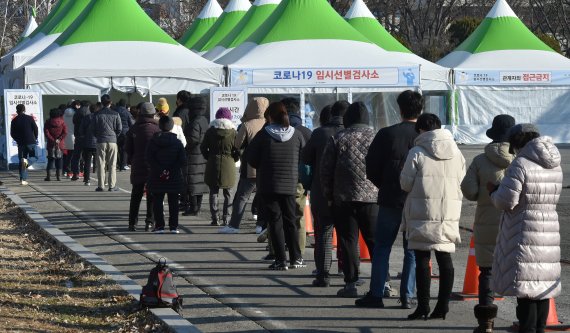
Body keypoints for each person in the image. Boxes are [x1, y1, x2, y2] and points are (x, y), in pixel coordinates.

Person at [489, 124, 562, 333]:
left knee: (526, 288)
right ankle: (539, 329)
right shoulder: (555, 164)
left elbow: (506, 201)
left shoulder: (520, 163)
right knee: (541, 286)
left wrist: (494, 192)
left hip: (524, 229)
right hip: (548, 227)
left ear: (516, 142)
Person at [357, 90, 423, 309]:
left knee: (382, 247)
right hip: (416, 200)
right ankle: (408, 295)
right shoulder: (424, 136)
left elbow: (371, 166)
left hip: (390, 197)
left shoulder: (386, 134)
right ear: (421, 109)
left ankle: (376, 294)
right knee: (411, 249)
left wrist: (383, 184)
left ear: (400, 109)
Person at [400, 113, 465, 320]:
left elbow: (405, 184)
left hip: (422, 212)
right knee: (445, 258)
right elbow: (462, 182)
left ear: (420, 130)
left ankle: (423, 307)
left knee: (422, 259)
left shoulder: (417, 152)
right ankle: (443, 306)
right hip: (448, 212)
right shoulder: (458, 153)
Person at [460, 115, 515, 332]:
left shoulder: (480, 161)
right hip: (515, 222)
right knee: (518, 271)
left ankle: (486, 322)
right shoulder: (522, 159)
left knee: (487, 271)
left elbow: (469, 190)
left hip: (486, 221)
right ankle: (525, 320)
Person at [320, 102, 378, 297]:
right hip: (372, 199)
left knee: (348, 241)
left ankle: (351, 283)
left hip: (343, 198)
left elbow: (326, 170)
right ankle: (382, 283)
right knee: (375, 242)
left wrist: (329, 196)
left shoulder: (338, 138)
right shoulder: (376, 138)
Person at [247, 102, 306, 270]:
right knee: (291, 221)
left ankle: (281, 260)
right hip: (290, 184)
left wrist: (263, 165)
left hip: (269, 184)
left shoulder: (263, 135)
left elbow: (251, 158)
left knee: (275, 222)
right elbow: (304, 156)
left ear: (270, 117)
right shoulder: (297, 134)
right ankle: (297, 258)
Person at [302, 101, 348, 287]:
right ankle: (349, 274)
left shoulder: (319, 134)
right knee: (348, 235)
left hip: (321, 192)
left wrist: (308, 185)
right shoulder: (354, 133)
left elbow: (305, 161)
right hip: (348, 193)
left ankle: (323, 274)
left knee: (323, 234)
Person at [218, 97, 269, 234]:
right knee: (263, 197)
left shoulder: (247, 124)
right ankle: (261, 225)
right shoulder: (269, 123)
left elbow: (237, 144)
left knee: (242, 196)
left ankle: (234, 225)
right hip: (266, 168)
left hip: (251, 167)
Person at [281, 97, 312, 256]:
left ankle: (277, 251)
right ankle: (298, 252)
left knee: (279, 216)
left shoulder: (275, 129)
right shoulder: (306, 131)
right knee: (299, 216)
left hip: (279, 179)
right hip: (299, 180)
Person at [146, 116, 187, 234]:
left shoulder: (153, 142)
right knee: (173, 201)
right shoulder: (178, 143)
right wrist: (170, 170)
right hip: (174, 176)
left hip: (156, 175)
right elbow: (182, 160)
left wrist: (161, 170)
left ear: (160, 126)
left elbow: (149, 158)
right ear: (172, 127)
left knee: (158, 201)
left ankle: (159, 226)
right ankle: (174, 226)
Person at [125, 103, 160, 232]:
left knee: (136, 195)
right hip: (153, 166)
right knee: (152, 195)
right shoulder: (158, 129)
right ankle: (149, 222)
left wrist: (131, 160)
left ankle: (132, 223)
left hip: (138, 164)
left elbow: (128, 148)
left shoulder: (134, 128)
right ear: (153, 114)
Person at [201, 107, 238, 226]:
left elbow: (203, 147)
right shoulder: (233, 132)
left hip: (213, 162)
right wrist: (234, 159)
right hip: (229, 164)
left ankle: (215, 218)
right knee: (228, 193)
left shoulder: (210, 131)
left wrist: (210, 157)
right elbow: (238, 149)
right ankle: (226, 218)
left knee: (213, 191)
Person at [183, 96, 209, 216]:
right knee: (199, 183)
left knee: (192, 182)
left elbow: (193, 139)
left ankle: (193, 208)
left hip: (194, 155)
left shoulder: (195, 122)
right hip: (202, 155)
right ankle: (197, 207)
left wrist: (185, 144)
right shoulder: (204, 120)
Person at [91, 94, 122, 192]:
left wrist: (98, 135)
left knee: (100, 163)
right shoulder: (116, 114)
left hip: (101, 140)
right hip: (112, 140)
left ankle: (101, 186)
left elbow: (93, 129)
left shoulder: (96, 114)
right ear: (110, 102)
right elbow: (119, 128)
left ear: (101, 102)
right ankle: (112, 186)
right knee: (112, 164)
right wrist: (114, 136)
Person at [10, 104, 39, 185]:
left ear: (17, 110)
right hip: (31, 141)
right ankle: (26, 163)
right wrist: (35, 137)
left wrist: (17, 140)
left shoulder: (14, 120)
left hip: (21, 143)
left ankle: (23, 179)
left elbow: (12, 133)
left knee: (22, 160)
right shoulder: (29, 118)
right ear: (24, 109)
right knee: (35, 157)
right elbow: (35, 128)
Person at [43, 108, 67, 181]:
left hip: (51, 144)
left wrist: (53, 140)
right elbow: (65, 132)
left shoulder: (47, 122)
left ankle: (48, 176)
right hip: (60, 144)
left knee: (50, 159)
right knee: (59, 159)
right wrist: (59, 139)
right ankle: (58, 176)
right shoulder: (62, 122)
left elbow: (46, 133)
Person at [71, 100, 92, 180]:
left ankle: (75, 173)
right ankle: (85, 175)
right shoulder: (89, 113)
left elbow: (74, 122)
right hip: (87, 137)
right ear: (88, 106)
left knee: (76, 156)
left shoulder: (77, 112)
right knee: (87, 157)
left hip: (78, 136)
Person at [79, 103, 99, 186]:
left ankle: (87, 179)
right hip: (98, 142)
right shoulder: (99, 117)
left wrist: (83, 136)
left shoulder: (86, 118)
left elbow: (81, 129)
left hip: (87, 142)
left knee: (87, 161)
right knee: (99, 162)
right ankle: (102, 180)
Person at [115, 99, 134, 171]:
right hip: (125, 132)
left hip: (117, 132)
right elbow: (131, 123)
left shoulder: (115, 111)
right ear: (125, 105)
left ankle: (118, 164)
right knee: (124, 149)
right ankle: (123, 165)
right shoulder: (127, 112)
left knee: (118, 149)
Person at [62, 100, 80, 178]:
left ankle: (65, 170)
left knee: (67, 155)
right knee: (73, 156)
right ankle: (71, 171)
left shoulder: (64, 114)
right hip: (74, 136)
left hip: (65, 136)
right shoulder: (76, 114)